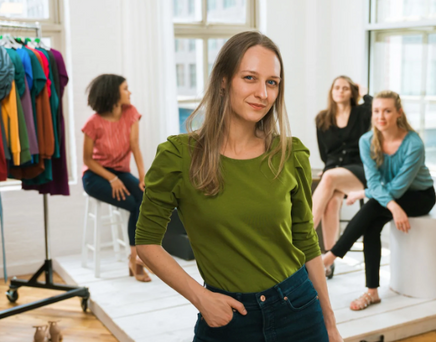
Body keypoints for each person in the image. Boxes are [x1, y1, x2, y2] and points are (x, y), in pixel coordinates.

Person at [136, 32, 343, 342]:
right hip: (228, 319)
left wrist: (329, 322)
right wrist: (200, 298)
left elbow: (305, 239)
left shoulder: (290, 154)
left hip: (298, 307)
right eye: (250, 78)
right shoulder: (178, 157)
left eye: (272, 82)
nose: (262, 93)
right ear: (223, 80)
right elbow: (146, 243)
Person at [322, 90, 435, 311]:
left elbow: (398, 187)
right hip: (389, 196)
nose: (380, 116)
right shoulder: (367, 141)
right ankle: (371, 292)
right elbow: (375, 183)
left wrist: (370, 195)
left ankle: (329, 257)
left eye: (387, 111)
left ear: (398, 113)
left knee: (373, 207)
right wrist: (390, 204)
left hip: (420, 196)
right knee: (372, 225)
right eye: (376, 111)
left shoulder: (413, 144)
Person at [82, 74, 150, 282]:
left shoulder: (131, 113)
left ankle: (136, 257)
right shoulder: (93, 123)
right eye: (125, 88)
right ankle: (136, 259)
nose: (130, 92)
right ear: (113, 94)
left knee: (144, 199)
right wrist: (111, 179)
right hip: (95, 175)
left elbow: (135, 146)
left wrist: (142, 177)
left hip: (121, 172)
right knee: (132, 204)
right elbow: (87, 159)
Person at [314, 76, 372, 278]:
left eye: (345, 88)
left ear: (351, 92)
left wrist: (365, 94)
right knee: (330, 205)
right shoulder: (322, 118)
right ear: (332, 92)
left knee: (328, 177)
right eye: (337, 87)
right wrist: (331, 170)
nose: (340, 91)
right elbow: (325, 153)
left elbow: (375, 109)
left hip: (358, 170)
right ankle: (328, 262)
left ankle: (303, 234)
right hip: (335, 172)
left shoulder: (361, 113)